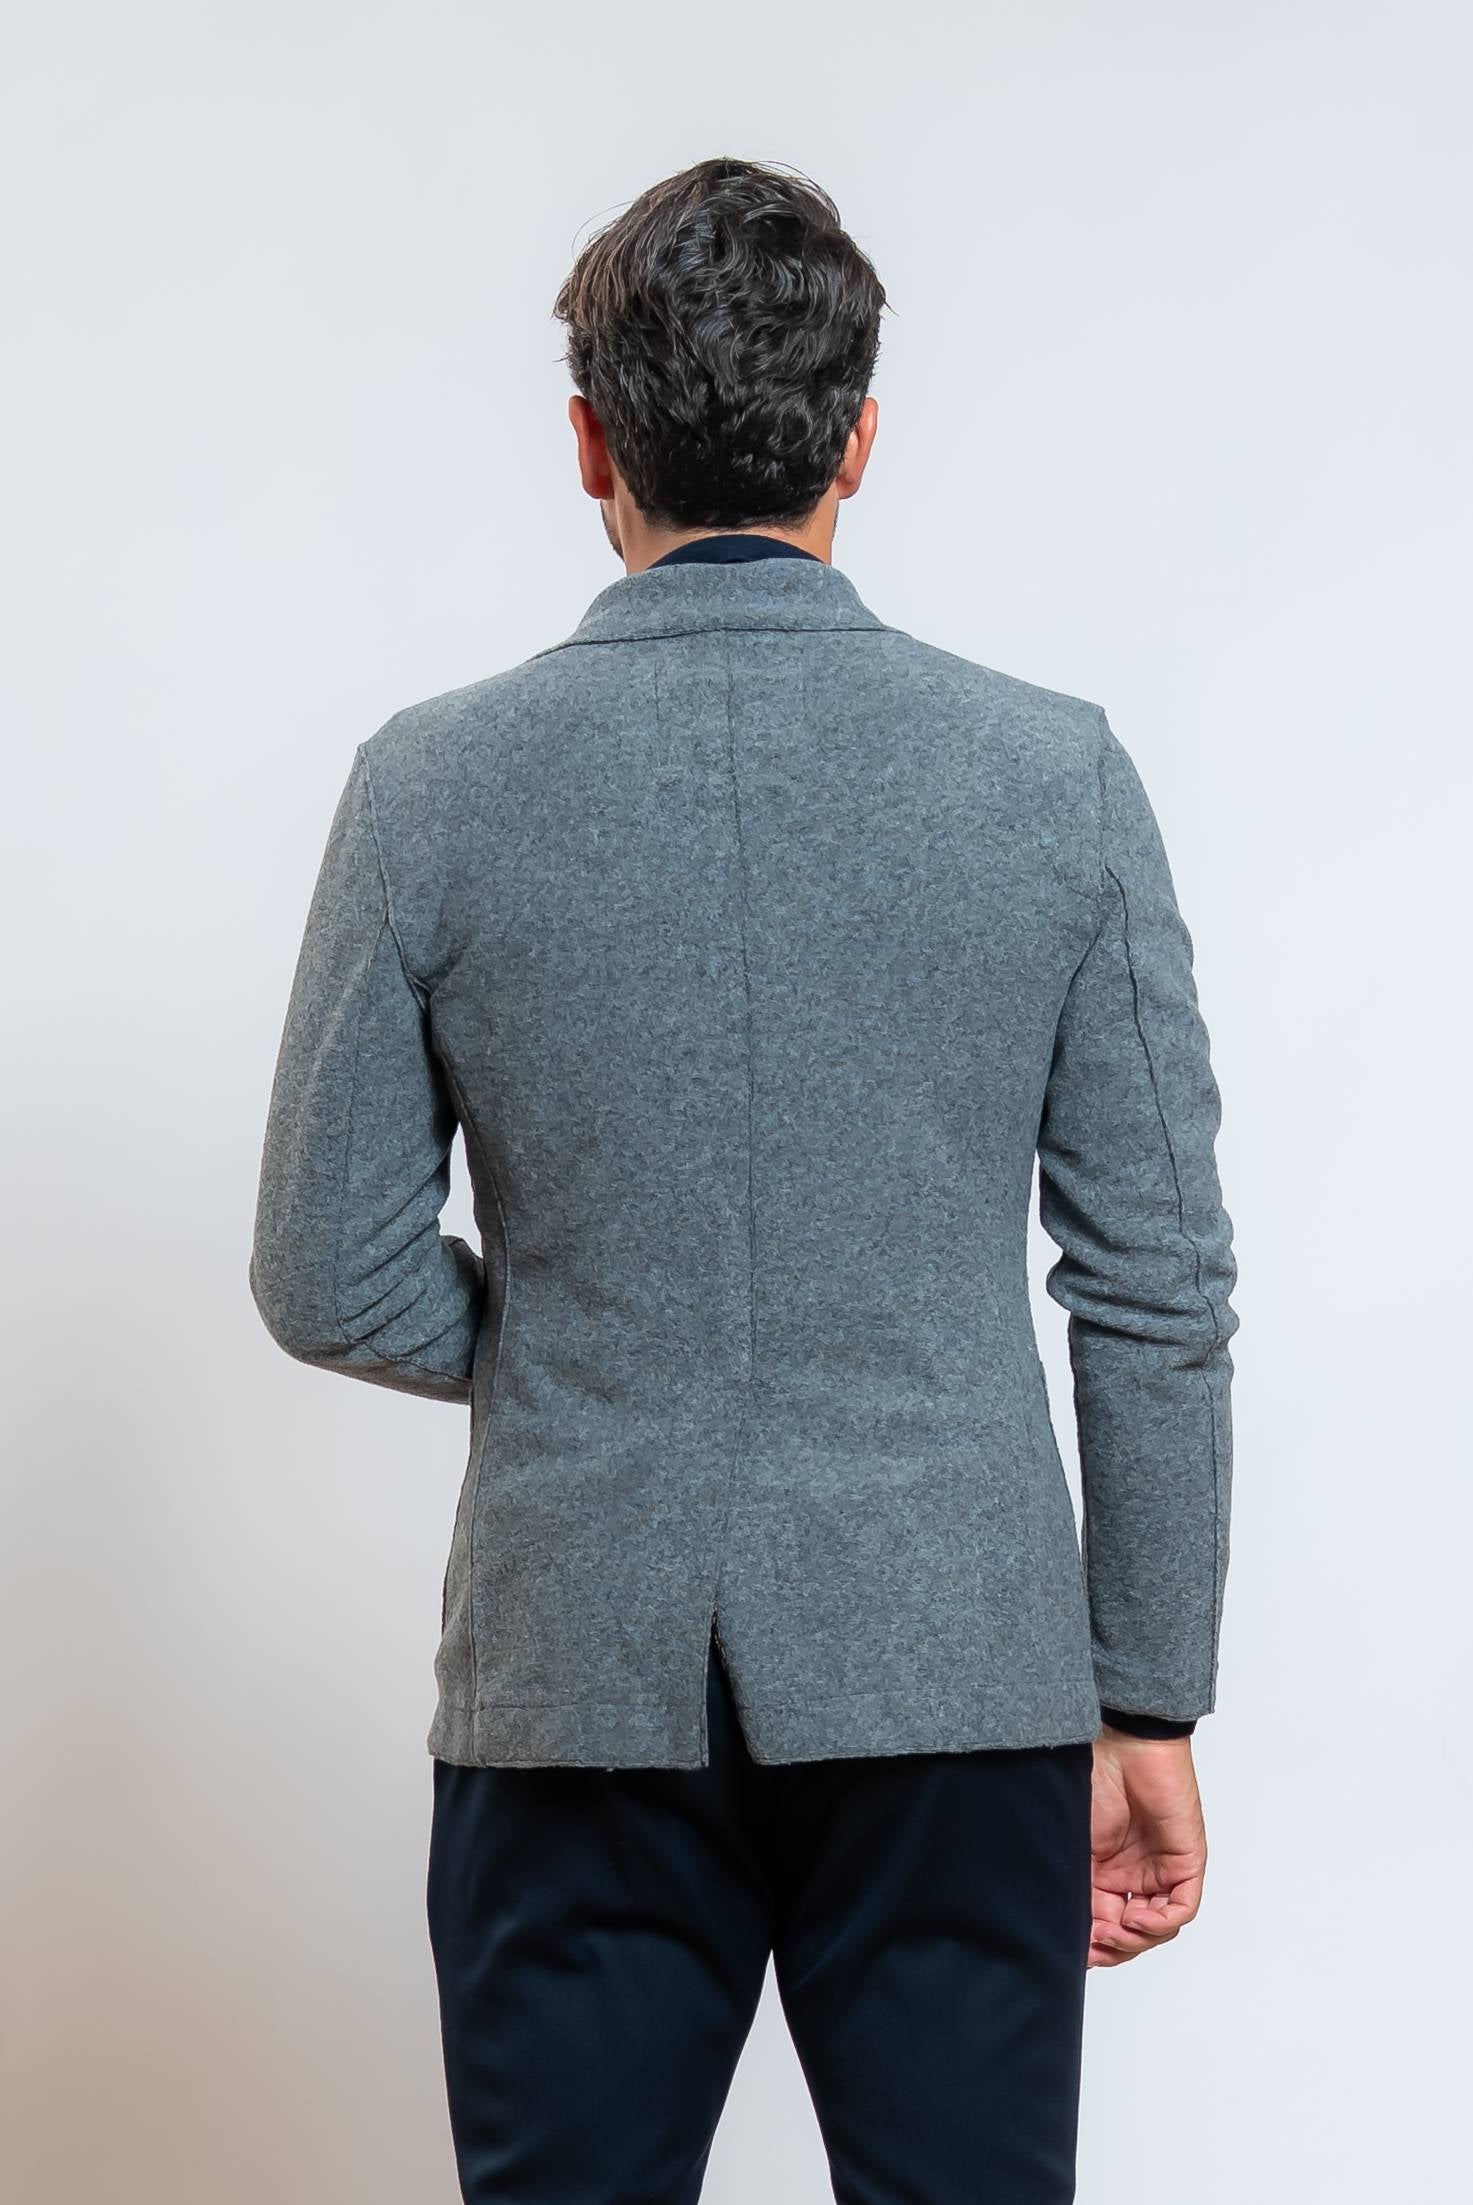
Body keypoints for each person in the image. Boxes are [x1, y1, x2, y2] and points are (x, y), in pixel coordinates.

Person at [248, 154, 1238, 2204]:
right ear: (857, 437)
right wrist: (1144, 1693)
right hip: (955, 1671)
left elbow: (327, 1269)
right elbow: (1153, 1286)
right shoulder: (1051, 777)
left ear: (588, 443)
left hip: (574, 1673)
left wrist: (581, 1340)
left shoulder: (428, 786)